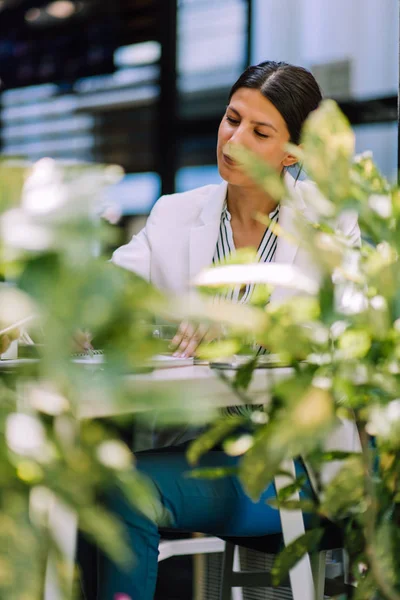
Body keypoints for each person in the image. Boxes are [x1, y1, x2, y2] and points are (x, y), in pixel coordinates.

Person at [97, 61, 360, 599]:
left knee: (122, 488)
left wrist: (249, 329)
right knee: (79, 481)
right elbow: (106, 291)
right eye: (231, 119)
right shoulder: (175, 214)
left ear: (294, 154)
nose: (234, 139)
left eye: (259, 132)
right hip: (193, 447)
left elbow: (351, 336)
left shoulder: (331, 224)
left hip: (294, 464)